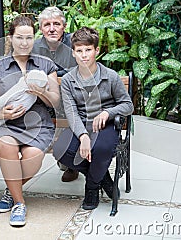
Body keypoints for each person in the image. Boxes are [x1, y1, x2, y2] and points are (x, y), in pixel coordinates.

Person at [0, 15, 60, 227]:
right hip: (5, 125)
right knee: (7, 147)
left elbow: (55, 101)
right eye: (19, 37)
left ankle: (10, 191)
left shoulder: (46, 64)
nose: (24, 43)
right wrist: (0, 113)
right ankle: (19, 203)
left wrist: (41, 92)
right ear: (10, 38)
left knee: (32, 159)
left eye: (29, 38)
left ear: (34, 38)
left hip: (36, 126)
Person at [53, 26, 134, 210]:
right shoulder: (67, 80)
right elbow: (71, 112)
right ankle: (102, 175)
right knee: (60, 150)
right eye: (79, 51)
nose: (84, 55)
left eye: (88, 50)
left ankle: (92, 187)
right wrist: (82, 136)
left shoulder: (110, 76)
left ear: (96, 51)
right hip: (81, 123)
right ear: (73, 53)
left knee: (101, 148)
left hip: (105, 125)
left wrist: (108, 112)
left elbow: (128, 105)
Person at [32, 6, 79, 182]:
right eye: (47, 25)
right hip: (44, 101)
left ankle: (70, 162)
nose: (52, 28)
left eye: (56, 24)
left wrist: (52, 75)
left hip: (71, 100)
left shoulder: (75, 42)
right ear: (41, 29)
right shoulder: (34, 46)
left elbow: (80, 72)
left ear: (64, 27)